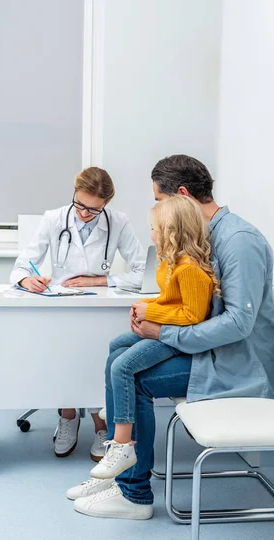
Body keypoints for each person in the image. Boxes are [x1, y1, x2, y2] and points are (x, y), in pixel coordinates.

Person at [68, 155, 274, 519]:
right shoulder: (203, 236)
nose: (158, 214)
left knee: (135, 377)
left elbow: (238, 325)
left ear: (182, 195)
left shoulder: (239, 241)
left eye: (159, 202)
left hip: (235, 365)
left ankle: (134, 495)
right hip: (211, 352)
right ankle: (120, 468)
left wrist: (163, 330)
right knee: (119, 348)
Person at [10, 166, 146, 461]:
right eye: (79, 204)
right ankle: (68, 416)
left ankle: (100, 423)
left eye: (93, 210)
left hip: (100, 303)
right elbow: (21, 266)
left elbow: (142, 272)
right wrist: (26, 280)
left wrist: (97, 280)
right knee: (65, 354)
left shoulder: (118, 223)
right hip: (62, 302)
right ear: (74, 193)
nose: (84, 213)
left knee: (99, 358)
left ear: (106, 204)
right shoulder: (53, 219)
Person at [89, 195, 220, 480]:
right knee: (116, 345)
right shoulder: (169, 264)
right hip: (167, 330)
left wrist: (153, 314)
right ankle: (117, 405)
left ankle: (123, 446)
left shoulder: (190, 270)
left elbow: (193, 316)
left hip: (177, 340)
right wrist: (145, 308)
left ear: (172, 231)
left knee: (123, 366)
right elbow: (169, 300)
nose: (150, 234)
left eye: (154, 228)